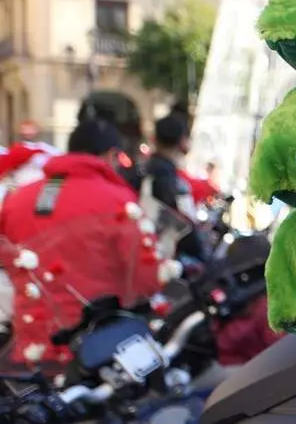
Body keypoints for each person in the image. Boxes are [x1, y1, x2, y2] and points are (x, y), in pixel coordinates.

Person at [0, 118, 175, 365]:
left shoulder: (18, 198)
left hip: (31, 349)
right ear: (112, 156)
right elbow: (147, 279)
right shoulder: (118, 200)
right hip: (95, 353)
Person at [144, 113, 208, 262]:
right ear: (182, 141)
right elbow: (180, 222)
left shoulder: (145, 169)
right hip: (165, 258)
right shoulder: (169, 178)